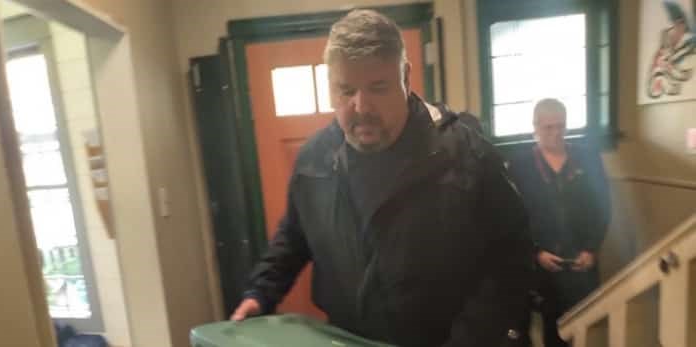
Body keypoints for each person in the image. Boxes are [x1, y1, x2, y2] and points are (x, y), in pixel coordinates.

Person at [231, 9, 533, 347]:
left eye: (378, 87)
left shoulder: (466, 156)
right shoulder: (314, 160)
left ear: (405, 77)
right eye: (346, 90)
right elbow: (294, 235)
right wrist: (261, 291)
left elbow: (512, 259)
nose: (361, 107)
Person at [507, 99, 611, 347]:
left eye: (560, 126)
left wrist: (591, 248)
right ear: (535, 127)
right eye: (548, 127)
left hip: (581, 261)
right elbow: (513, 217)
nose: (555, 133)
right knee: (552, 328)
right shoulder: (520, 165)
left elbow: (602, 205)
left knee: (586, 325)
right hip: (543, 264)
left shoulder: (587, 158)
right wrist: (535, 252)